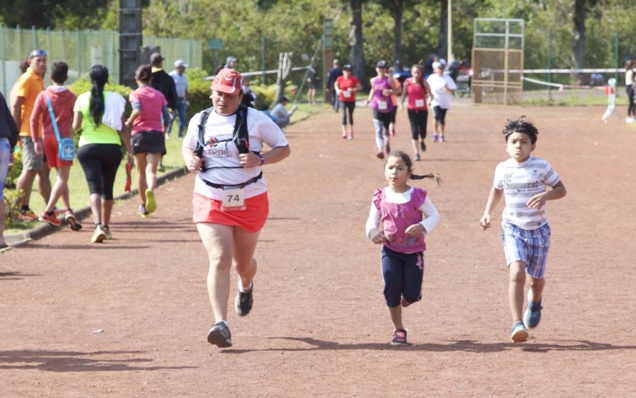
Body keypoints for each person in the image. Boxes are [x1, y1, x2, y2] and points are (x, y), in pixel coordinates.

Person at [181, 68, 290, 348]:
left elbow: (283, 147)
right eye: (219, 93)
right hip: (210, 197)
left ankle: (246, 285)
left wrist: (261, 159)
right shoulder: (201, 119)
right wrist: (190, 160)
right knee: (219, 258)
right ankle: (221, 323)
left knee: (242, 265)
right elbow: (187, 146)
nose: (223, 99)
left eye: (230, 95)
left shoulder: (256, 120)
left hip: (249, 198)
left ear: (240, 96)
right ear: (212, 92)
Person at [479, 116, 567, 343]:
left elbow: (561, 189)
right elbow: (496, 190)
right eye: (514, 141)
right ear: (506, 146)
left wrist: (546, 195)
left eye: (524, 141)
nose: (519, 145)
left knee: (535, 281)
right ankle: (517, 323)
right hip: (512, 227)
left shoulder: (541, 166)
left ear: (533, 146)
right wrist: (488, 212)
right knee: (517, 273)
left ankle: (535, 301)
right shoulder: (502, 168)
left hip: (539, 230)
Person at [366, 150, 440, 346]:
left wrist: (422, 226)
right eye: (390, 168)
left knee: (412, 294)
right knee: (391, 288)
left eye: (400, 168)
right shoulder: (380, 196)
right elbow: (371, 224)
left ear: (408, 172)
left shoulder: (417, 196)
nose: (394, 172)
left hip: (413, 252)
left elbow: (434, 216)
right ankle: (399, 330)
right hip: (390, 251)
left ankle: (411, 295)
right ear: (385, 170)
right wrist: (374, 234)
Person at [73, 65, 132, 243]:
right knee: (108, 189)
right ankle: (105, 227)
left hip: (88, 147)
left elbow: (75, 126)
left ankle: (97, 225)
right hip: (112, 148)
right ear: (107, 80)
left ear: (91, 79)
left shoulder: (82, 99)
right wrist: (130, 150)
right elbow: (122, 128)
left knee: (94, 188)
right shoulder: (115, 99)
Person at [30, 61, 81, 230]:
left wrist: (36, 141)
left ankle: (67, 210)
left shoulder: (43, 95)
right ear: (66, 77)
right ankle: (49, 210)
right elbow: (76, 121)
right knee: (63, 177)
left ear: (50, 76)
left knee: (60, 176)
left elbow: (33, 119)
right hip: (64, 141)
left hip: (47, 140)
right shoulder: (72, 97)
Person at [10, 49, 51, 221]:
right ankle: (15, 210)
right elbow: (16, 105)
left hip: (40, 132)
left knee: (41, 171)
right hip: (28, 132)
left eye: (44, 60)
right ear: (29, 61)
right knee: (29, 169)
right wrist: (16, 131)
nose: (42, 63)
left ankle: (31, 208)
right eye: (38, 60)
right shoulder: (27, 79)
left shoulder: (38, 80)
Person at [125, 64, 170, 218]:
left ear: (137, 79)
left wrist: (128, 122)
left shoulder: (135, 94)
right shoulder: (159, 95)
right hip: (156, 134)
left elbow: (136, 109)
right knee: (151, 170)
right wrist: (163, 131)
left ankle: (143, 204)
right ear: (150, 79)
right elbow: (167, 117)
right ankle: (151, 188)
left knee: (140, 172)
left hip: (139, 135)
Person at [365, 60, 399, 159]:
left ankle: (387, 143)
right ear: (376, 69)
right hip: (376, 106)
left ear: (385, 70)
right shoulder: (373, 80)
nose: (381, 70)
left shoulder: (389, 80)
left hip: (388, 107)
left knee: (386, 128)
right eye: (380, 68)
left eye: (383, 68)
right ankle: (380, 149)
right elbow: (373, 89)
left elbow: (397, 91)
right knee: (378, 128)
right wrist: (369, 99)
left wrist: (390, 91)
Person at [0, 91, 19, 252]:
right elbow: (12, 125)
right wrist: (12, 148)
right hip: (3, 144)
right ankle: (0, 237)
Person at [401, 65, 432, 161]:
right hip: (412, 110)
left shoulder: (423, 82)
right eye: (415, 72)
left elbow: (430, 94)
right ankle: (417, 153)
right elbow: (404, 94)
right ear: (411, 73)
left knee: (423, 131)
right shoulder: (407, 82)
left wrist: (429, 100)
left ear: (420, 73)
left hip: (422, 110)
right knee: (414, 131)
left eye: (418, 72)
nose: (417, 74)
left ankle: (422, 140)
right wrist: (401, 104)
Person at [426, 61, 456, 143]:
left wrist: (447, 88)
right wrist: (428, 97)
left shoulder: (447, 78)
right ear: (435, 70)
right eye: (438, 69)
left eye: (442, 69)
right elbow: (426, 88)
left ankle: (442, 134)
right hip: (435, 100)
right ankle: (435, 133)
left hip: (444, 101)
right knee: (436, 116)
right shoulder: (431, 78)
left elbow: (453, 90)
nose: (440, 71)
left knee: (442, 119)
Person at [334, 64, 362, 140]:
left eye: (349, 71)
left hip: (351, 100)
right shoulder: (340, 78)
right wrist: (337, 90)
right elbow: (336, 84)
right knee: (344, 115)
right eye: (346, 71)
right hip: (342, 99)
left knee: (350, 115)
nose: (347, 72)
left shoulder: (353, 79)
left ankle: (351, 131)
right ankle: (344, 131)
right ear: (343, 71)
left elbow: (359, 87)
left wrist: (353, 89)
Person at [168, 59, 189, 139]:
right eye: (182, 67)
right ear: (178, 67)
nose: (184, 69)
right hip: (172, 100)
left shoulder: (184, 77)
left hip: (181, 100)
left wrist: (186, 99)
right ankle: (167, 132)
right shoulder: (171, 76)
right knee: (171, 117)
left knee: (183, 117)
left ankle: (180, 134)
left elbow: (186, 89)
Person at [387, 67, 402, 137]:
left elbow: (399, 91)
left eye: (391, 72)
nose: (390, 74)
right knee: (386, 118)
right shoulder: (382, 80)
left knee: (392, 118)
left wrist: (391, 91)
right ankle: (388, 129)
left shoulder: (395, 80)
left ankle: (392, 128)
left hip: (393, 102)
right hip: (384, 103)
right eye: (388, 72)